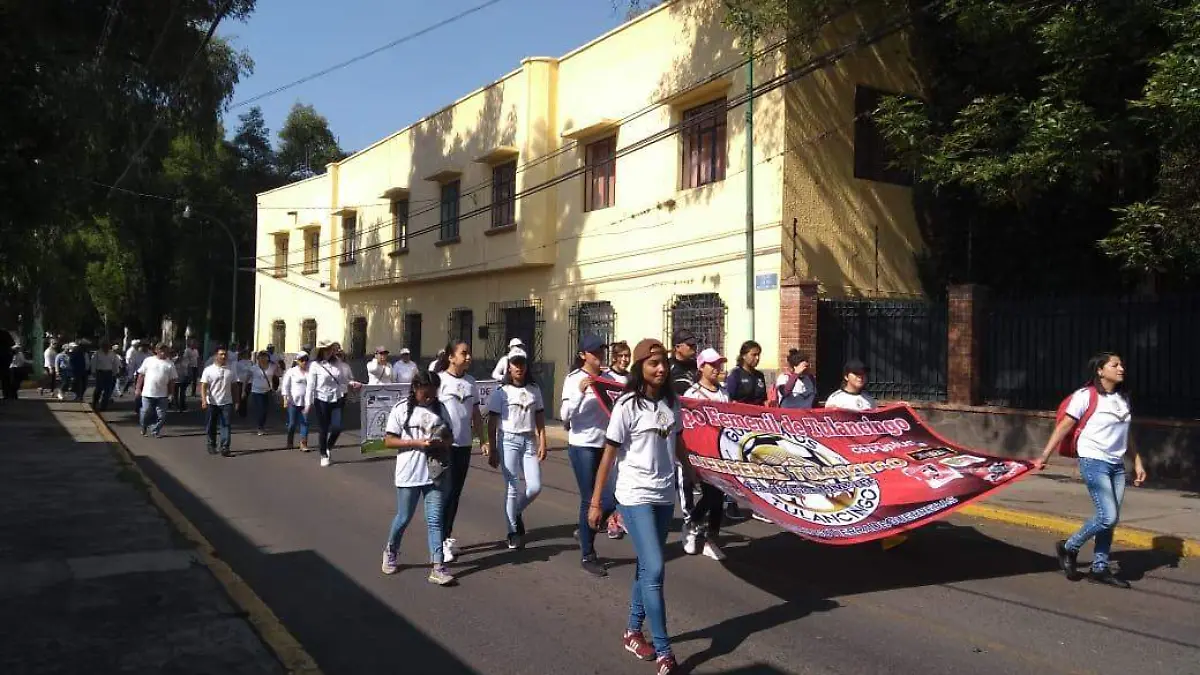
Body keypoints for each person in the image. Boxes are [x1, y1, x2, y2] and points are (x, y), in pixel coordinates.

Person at [589, 338, 694, 675]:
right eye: (653, 364)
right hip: (634, 496)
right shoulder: (627, 406)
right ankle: (665, 651)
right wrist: (596, 501)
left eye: (663, 362)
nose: (661, 368)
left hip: (664, 496)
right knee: (656, 568)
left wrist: (692, 474)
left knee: (647, 568)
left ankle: (632, 632)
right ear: (640, 368)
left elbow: (678, 442)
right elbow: (609, 453)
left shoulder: (671, 403)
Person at [1035, 352, 1146, 589]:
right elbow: (1064, 426)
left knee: (1109, 521)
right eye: (1115, 365)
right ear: (1100, 370)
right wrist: (1044, 455)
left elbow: (1127, 433)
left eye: (1122, 364)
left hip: (1117, 464)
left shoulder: (1123, 398)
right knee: (1108, 516)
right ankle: (1069, 547)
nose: (1121, 368)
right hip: (1093, 461)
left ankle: (1100, 567)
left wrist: (1137, 461)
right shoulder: (1085, 396)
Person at [380, 370, 456, 586]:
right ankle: (391, 550)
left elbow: (450, 437)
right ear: (415, 389)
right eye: (426, 394)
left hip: (435, 473)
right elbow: (389, 441)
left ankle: (438, 567)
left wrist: (440, 442)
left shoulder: (441, 408)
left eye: (433, 394)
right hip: (409, 473)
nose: (430, 398)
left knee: (435, 520)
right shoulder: (401, 409)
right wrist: (417, 443)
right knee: (404, 517)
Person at [561, 335, 617, 576]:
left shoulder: (608, 379)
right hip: (582, 445)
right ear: (583, 355)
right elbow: (565, 415)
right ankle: (588, 554)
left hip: (605, 446)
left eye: (601, 351)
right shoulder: (574, 380)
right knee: (589, 499)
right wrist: (580, 393)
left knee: (612, 496)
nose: (599, 356)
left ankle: (584, 530)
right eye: (594, 352)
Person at [435, 340, 491, 563]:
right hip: (444, 447)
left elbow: (476, 414)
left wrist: (483, 440)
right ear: (451, 357)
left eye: (469, 353)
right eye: (464, 353)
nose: (468, 357)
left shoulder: (470, 382)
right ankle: (439, 540)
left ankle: (445, 537)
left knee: (456, 493)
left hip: (465, 445)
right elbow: (430, 411)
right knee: (445, 493)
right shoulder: (439, 380)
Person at [487, 348, 548, 550]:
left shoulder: (534, 389)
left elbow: (539, 415)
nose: (519, 367)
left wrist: (543, 440)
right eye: (515, 363)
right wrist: (493, 448)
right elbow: (492, 421)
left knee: (535, 487)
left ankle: (516, 511)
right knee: (512, 486)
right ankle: (512, 530)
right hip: (509, 440)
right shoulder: (501, 391)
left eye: (522, 363)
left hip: (529, 440)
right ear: (509, 366)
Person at [682, 348, 730, 561]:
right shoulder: (692, 394)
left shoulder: (724, 393)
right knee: (711, 495)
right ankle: (692, 525)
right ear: (702, 367)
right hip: (701, 454)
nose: (717, 369)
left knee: (719, 496)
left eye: (719, 364)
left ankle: (712, 539)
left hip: (721, 453)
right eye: (713, 364)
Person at [304, 340, 363, 467]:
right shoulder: (315, 365)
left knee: (337, 427)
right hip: (321, 399)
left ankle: (328, 447)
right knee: (323, 428)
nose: (329, 351)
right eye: (326, 349)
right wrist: (308, 403)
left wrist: (352, 383)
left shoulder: (338, 363)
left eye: (330, 349)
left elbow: (343, 379)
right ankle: (323, 455)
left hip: (337, 398)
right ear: (321, 351)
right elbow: (310, 385)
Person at [200, 346, 240, 457]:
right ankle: (211, 444)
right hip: (212, 402)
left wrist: (237, 401)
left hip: (226, 402)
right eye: (221, 354)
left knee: (226, 425)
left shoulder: (230, 370)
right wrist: (204, 400)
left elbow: (235, 386)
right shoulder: (208, 370)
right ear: (216, 356)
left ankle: (225, 447)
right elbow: (203, 386)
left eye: (225, 354)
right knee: (211, 424)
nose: (223, 356)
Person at [136, 343, 176, 438]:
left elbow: (172, 380)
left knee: (161, 416)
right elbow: (141, 375)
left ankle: (155, 430)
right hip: (148, 393)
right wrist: (138, 388)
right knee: (145, 412)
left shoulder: (170, 364)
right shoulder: (148, 360)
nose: (163, 352)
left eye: (165, 350)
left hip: (162, 395)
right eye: (161, 350)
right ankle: (144, 426)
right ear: (156, 351)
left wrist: (171, 393)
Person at [280, 352, 311, 451]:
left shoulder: (310, 372)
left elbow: (313, 387)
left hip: (305, 402)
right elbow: (285, 385)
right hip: (293, 402)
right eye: (302, 360)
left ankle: (303, 444)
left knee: (305, 422)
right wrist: (285, 398)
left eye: (306, 359)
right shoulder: (292, 371)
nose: (304, 362)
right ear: (297, 361)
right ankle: (290, 441)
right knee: (292, 424)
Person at [724, 340, 767, 406]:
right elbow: (728, 399)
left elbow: (764, 400)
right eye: (754, 355)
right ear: (744, 356)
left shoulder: (760, 375)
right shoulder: (735, 374)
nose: (757, 358)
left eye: (758, 355)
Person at [247, 350, 279, 435]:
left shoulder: (272, 367)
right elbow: (247, 379)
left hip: (267, 391)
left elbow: (278, 374)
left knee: (265, 410)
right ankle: (260, 427)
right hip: (256, 391)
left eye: (265, 356)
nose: (263, 358)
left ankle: (261, 426)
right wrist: (243, 390)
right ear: (258, 358)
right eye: (261, 357)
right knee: (261, 409)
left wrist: (277, 366)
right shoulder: (254, 368)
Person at [667, 330, 697, 396]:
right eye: (690, 345)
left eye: (695, 344)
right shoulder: (667, 367)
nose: (694, 347)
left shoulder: (697, 366)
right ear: (677, 347)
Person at [90, 343, 118, 411]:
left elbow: (115, 363)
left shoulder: (112, 354)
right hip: (100, 372)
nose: (106, 347)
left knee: (108, 390)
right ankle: (94, 403)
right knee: (99, 389)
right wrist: (93, 372)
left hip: (109, 372)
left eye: (107, 346)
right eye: (105, 346)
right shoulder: (97, 353)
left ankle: (103, 406)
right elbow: (93, 363)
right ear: (102, 347)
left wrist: (115, 372)